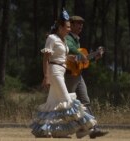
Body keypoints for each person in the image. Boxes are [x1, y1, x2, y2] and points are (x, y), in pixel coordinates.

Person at [30, 9, 96, 138]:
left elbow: (63, 57)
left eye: (70, 27)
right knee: (68, 101)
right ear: (60, 27)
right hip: (54, 72)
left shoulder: (63, 40)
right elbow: (46, 58)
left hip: (61, 69)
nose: (69, 29)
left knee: (53, 103)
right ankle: (84, 127)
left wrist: (74, 58)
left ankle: (50, 131)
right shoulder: (52, 38)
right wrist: (46, 76)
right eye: (67, 27)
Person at [65, 15, 109, 139]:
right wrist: (81, 55)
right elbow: (70, 49)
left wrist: (94, 56)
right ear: (71, 25)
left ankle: (93, 128)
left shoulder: (77, 39)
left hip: (77, 76)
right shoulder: (68, 38)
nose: (80, 26)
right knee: (67, 104)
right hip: (69, 76)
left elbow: (80, 62)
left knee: (85, 101)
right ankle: (67, 129)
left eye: (81, 24)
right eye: (78, 24)